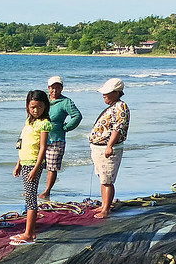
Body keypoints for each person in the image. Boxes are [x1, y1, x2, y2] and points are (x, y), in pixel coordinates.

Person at [11, 89, 52, 244]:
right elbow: (23, 144)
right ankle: (29, 232)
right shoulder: (29, 121)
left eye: (39, 107)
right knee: (29, 196)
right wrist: (18, 163)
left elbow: (42, 147)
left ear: (45, 107)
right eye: (32, 107)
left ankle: (29, 234)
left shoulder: (44, 124)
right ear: (28, 106)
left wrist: (36, 168)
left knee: (30, 198)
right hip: (25, 162)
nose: (36, 110)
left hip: (34, 164)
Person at [88, 78, 130, 219]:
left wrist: (109, 146)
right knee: (103, 178)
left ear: (117, 93)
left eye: (107, 93)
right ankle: (104, 205)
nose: (104, 95)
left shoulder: (120, 107)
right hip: (99, 147)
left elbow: (117, 128)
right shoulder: (114, 106)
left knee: (107, 180)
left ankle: (106, 209)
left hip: (108, 148)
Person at [39, 76, 83, 199]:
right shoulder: (44, 100)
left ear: (62, 88)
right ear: (48, 88)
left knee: (52, 167)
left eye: (58, 88)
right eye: (52, 88)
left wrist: (66, 128)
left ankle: (47, 191)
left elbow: (77, 116)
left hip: (56, 140)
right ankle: (32, 190)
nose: (55, 91)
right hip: (40, 137)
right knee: (35, 165)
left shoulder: (66, 102)